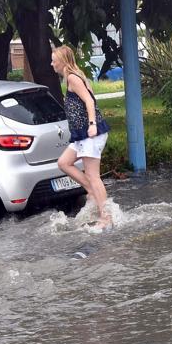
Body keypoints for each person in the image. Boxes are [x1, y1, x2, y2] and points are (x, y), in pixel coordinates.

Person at [52, 45, 112, 230]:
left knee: (94, 176)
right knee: (64, 162)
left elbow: (89, 100)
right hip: (81, 134)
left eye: (54, 60)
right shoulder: (73, 76)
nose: (51, 63)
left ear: (62, 60)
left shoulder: (72, 77)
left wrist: (92, 124)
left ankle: (106, 217)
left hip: (89, 133)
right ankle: (91, 191)